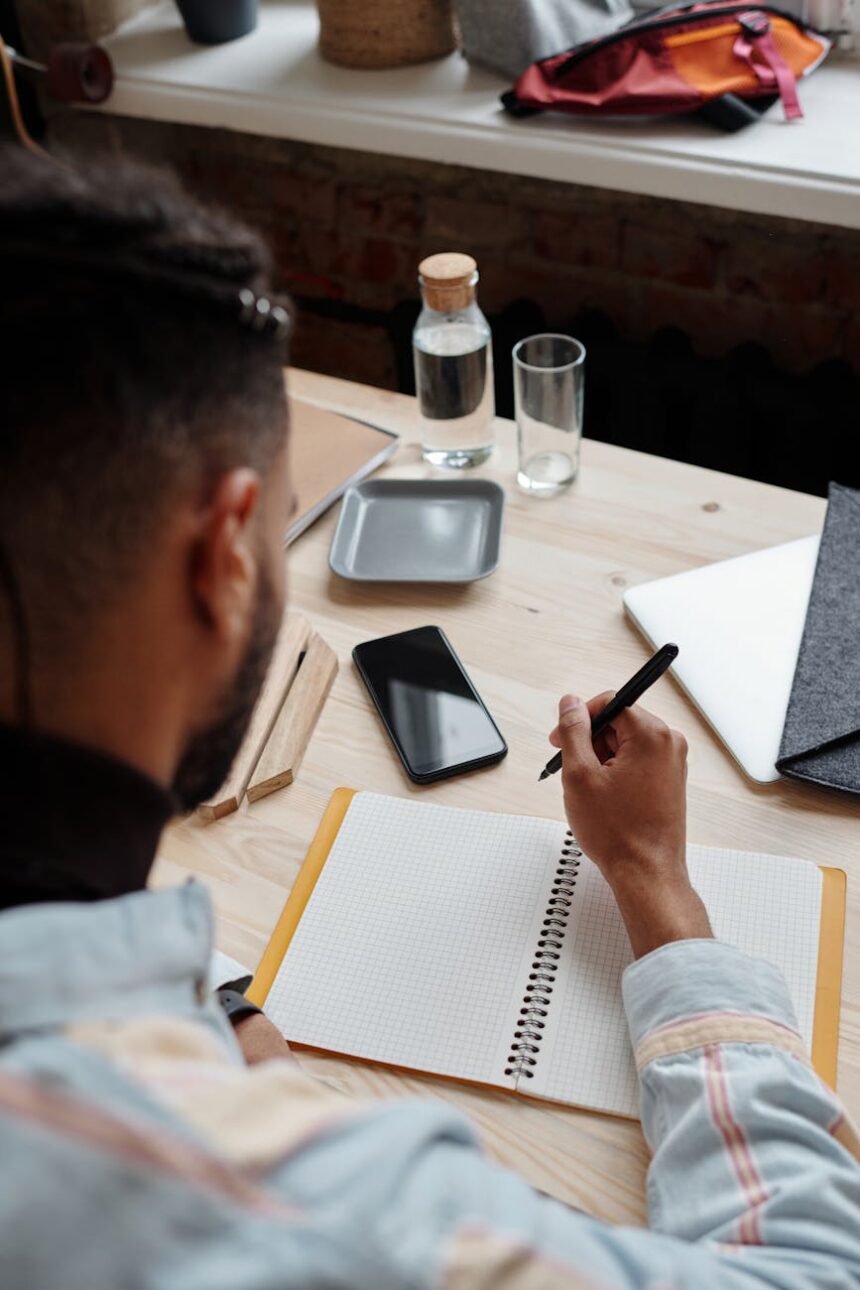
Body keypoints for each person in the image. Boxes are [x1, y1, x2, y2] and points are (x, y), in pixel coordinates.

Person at [0, 145, 857, 1290]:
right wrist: (654, 880)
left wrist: (214, 1007)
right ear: (223, 554)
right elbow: (814, 1266)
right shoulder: (329, 1220)